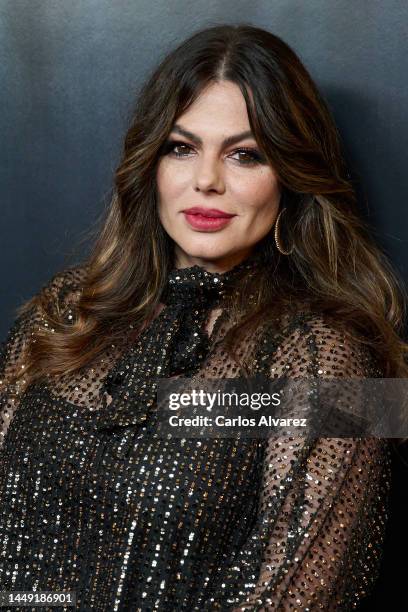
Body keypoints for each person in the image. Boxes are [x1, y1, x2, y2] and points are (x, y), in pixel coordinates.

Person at [0, 23, 407, 612]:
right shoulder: (66, 308)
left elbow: (297, 597)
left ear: (291, 177)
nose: (207, 180)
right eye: (181, 147)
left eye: (246, 155)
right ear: (151, 163)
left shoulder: (334, 357)